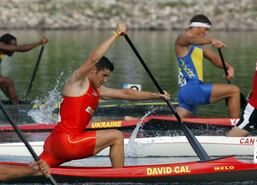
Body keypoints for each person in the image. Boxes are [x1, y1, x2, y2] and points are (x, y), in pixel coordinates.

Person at [39, 24, 170, 168]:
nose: (105, 80)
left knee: (32, 171)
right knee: (117, 136)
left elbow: (126, 93)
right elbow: (94, 58)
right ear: (93, 70)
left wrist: (156, 95)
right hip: (68, 142)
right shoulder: (77, 82)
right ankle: (120, 177)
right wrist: (115, 34)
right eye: (104, 75)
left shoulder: (97, 91)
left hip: (53, 144)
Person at [175, 14, 241, 118]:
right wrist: (211, 40)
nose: (206, 33)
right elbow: (191, 39)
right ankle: (237, 127)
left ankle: (155, 127)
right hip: (193, 88)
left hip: (185, 92)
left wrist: (228, 68)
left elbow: (214, 58)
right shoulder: (183, 38)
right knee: (234, 90)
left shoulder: (198, 46)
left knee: (175, 122)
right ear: (197, 27)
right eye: (205, 29)